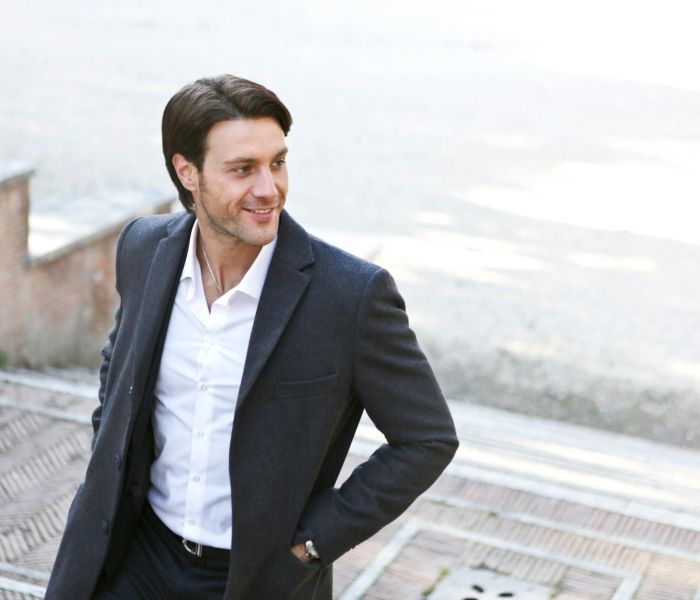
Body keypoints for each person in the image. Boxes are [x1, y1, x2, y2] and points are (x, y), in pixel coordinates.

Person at [45, 75, 458, 600]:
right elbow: (119, 362)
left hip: (255, 579)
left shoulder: (350, 296)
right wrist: (110, 461)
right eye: (243, 169)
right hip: (134, 556)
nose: (268, 189)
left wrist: (313, 545)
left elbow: (427, 439)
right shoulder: (143, 248)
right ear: (187, 172)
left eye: (277, 163)